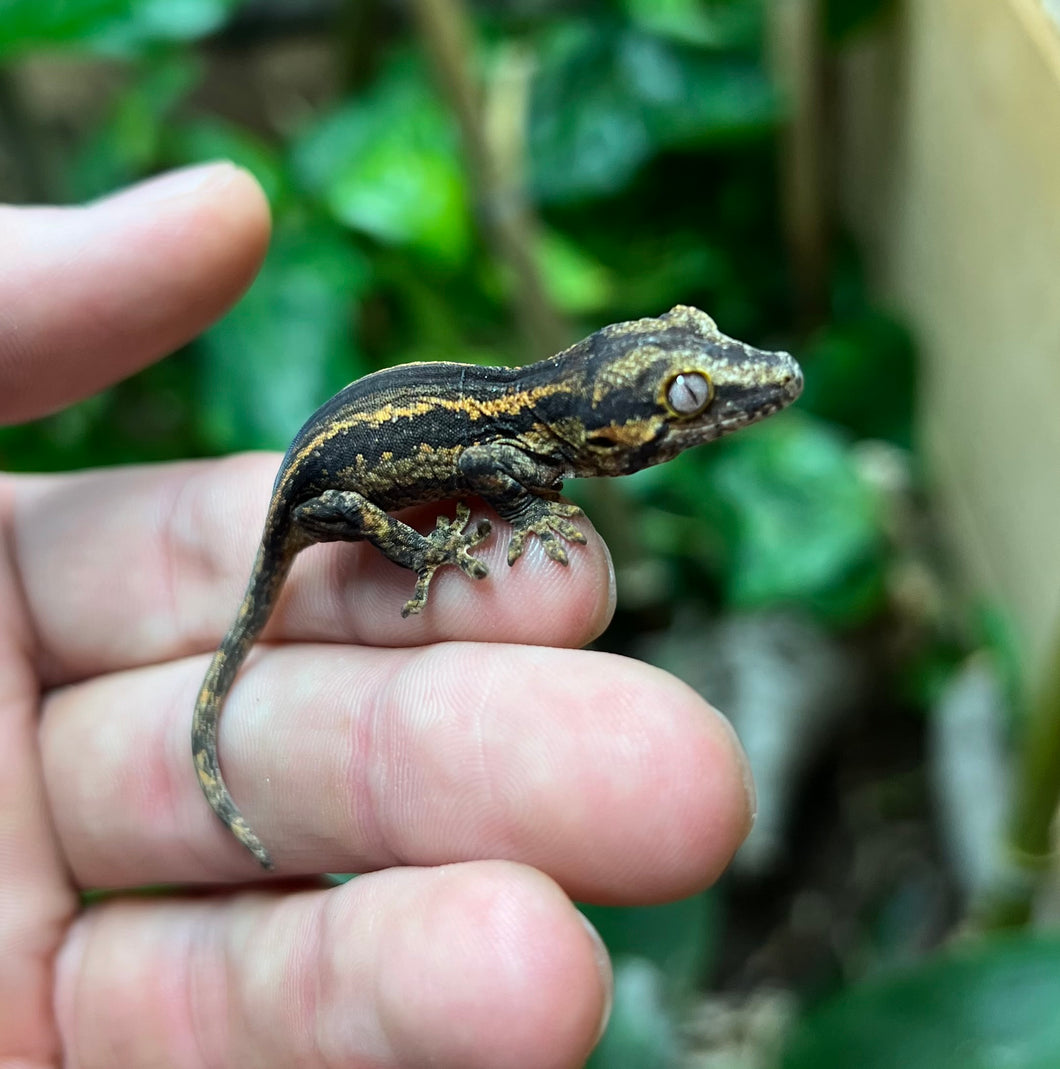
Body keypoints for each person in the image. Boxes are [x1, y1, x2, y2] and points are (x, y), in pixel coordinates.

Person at [0, 163, 754, 1068]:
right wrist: (447, 544)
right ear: (605, 425)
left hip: (341, 449)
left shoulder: (529, 427)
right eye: (685, 398)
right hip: (324, 497)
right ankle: (218, 725)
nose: (725, 402)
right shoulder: (512, 451)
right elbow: (482, 476)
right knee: (363, 520)